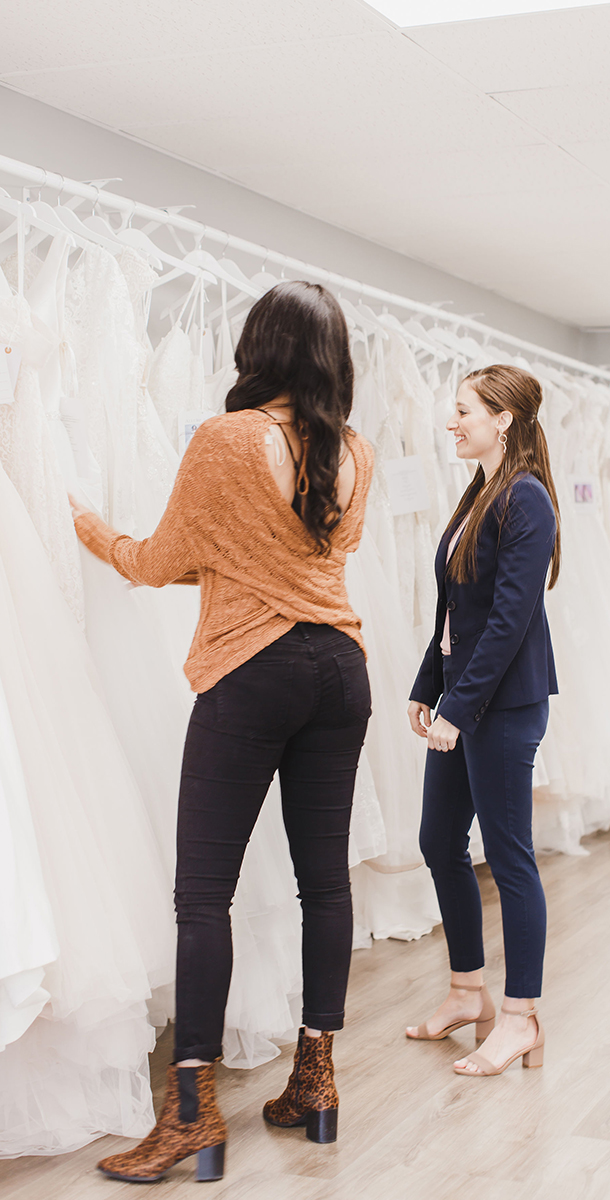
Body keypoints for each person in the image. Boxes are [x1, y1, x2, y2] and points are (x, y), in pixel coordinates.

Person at [71, 281, 374, 1181]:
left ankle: (191, 1114)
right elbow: (309, 552)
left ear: (260, 347)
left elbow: (164, 561)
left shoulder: (228, 438)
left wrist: (88, 530)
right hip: (342, 669)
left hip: (255, 669)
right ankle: (314, 1079)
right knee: (325, 882)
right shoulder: (353, 450)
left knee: (203, 892)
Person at [406, 364, 559, 1078]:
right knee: (439, 840)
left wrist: (457, 712)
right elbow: (455, 610)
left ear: (502, 419)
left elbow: (507, 620)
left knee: (509, 857)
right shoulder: (481, 492)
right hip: (464, 697)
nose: (451, 421)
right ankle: (469, 993)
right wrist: (426, 686)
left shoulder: (527, 500)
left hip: (503, 706)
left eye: (462, 410)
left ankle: (522, 1016)